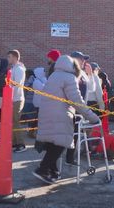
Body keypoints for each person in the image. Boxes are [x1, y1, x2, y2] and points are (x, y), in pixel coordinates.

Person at [33, 55, 99, 184]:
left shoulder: (54, 75)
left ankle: (52, 172)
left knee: (53, 143)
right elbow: (77, 101)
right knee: (61, 144)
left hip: (46, 112)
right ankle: (42, 168)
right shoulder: (69, 78)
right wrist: (93, 118)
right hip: (60, 115)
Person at [8, 49, 27, 152]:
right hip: (13, 98)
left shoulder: (19, 69)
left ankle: (21, 144)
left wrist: (10, 96)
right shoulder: (14, 68)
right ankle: (15, 142)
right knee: (12, 121)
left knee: (16, 121)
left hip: (17, 98)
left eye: (9, 57)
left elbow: (17, 85)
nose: (8, 59)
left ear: (15, 57)